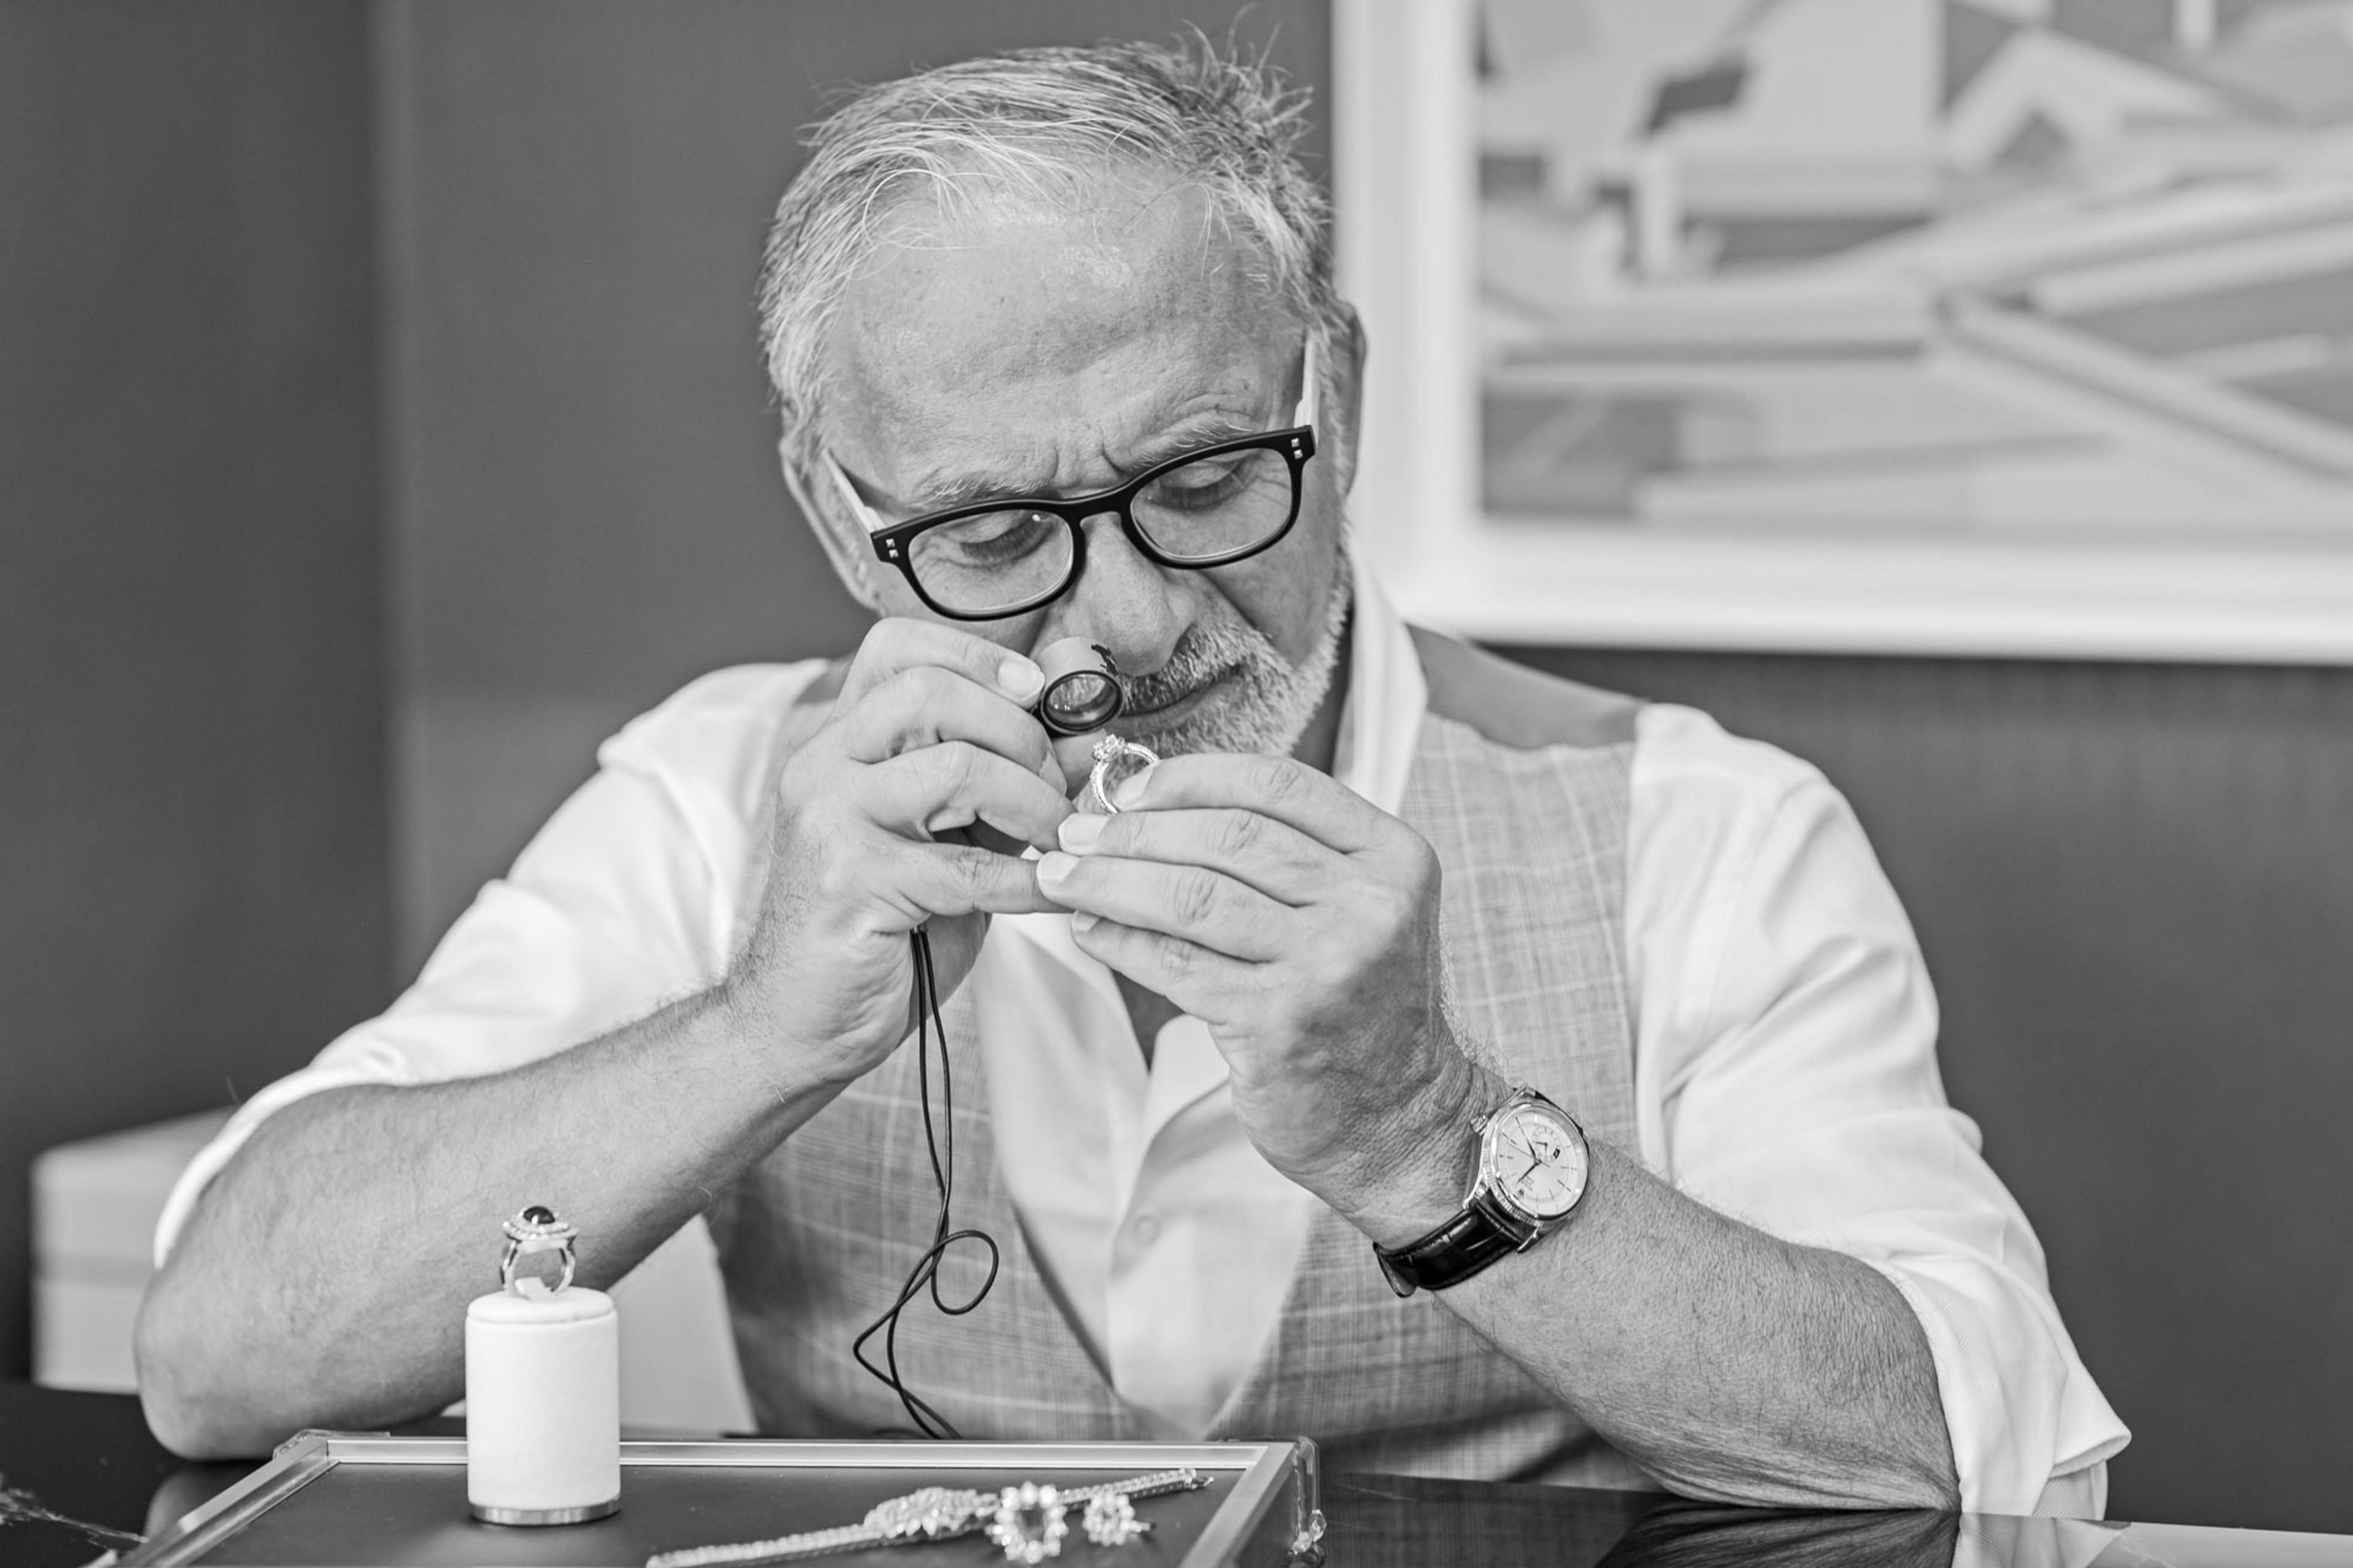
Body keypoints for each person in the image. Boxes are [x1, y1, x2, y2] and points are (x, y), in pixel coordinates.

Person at [134, 37, 2125, 1513]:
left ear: (1327, 397)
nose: (1129, 628)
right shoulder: (716, 795)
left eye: (1199, 484)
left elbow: (1974, 1460)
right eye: (997, 533)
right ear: (845, 526)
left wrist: (1435, 1137)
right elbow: (219, 1356)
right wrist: (755, 1030)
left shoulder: (1703, 831)